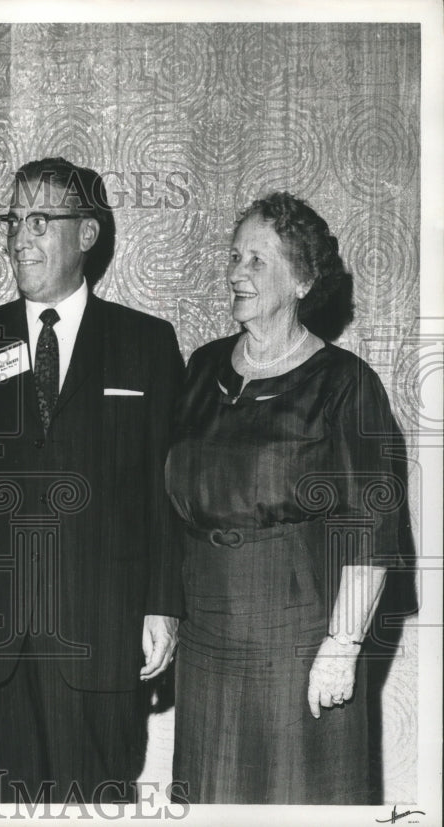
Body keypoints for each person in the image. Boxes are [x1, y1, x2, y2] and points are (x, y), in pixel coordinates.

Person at [0, 157, 185, 803]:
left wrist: (163, 602)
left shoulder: (144, 343)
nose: (19, 237)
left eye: (40, 220)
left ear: (87, 233)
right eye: (14, 220)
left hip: (102, 631)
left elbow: (165, 490)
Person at [166, 191, 411, 804]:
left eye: (256, 260)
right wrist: (161, 607)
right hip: (205, 633)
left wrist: (343, 644)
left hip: (299, 634)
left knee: (299, 796)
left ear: (301, 279)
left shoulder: (345, 383)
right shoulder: (200, 371)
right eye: (233, 256)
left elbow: (370, 523)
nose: (234, 273)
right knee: (209, 797)